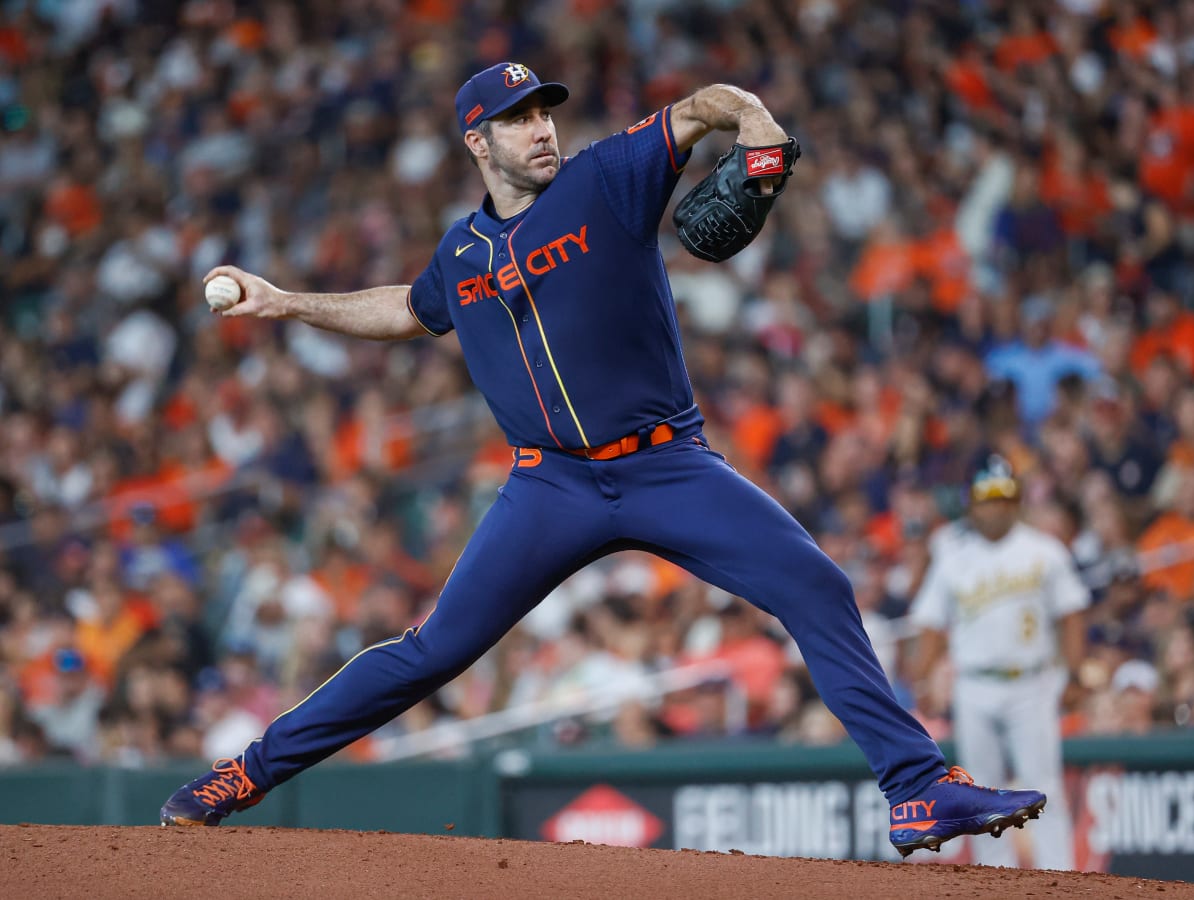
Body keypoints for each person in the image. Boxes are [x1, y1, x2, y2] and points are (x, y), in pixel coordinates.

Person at [160, 62, 1047, 858]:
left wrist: (755, 122)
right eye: (518, 119)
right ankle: (244, 774)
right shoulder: (461, 252)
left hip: (668, 466)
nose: (542, 128)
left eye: (545, 112)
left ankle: (916, 789)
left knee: (816, 584)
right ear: (478, 139)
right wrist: (286, 304)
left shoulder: (607, 180)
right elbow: (407, 308)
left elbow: (702, 106)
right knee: (430, 651)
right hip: (550, 485)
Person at [908, 455, 1088, 868]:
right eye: (987, 499)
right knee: (983, 793)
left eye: (1003, 498)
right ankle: (995, 881)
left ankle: (1061, 880)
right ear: (971, 504)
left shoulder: (1043, 551)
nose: (995, 507)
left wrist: (1076, 673)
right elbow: (930, 624)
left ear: (1016, 502)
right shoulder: (953, 557)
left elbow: (1071, 614)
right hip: (974, 685)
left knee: (1044, 787)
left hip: (1032, 682)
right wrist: (922, 680)